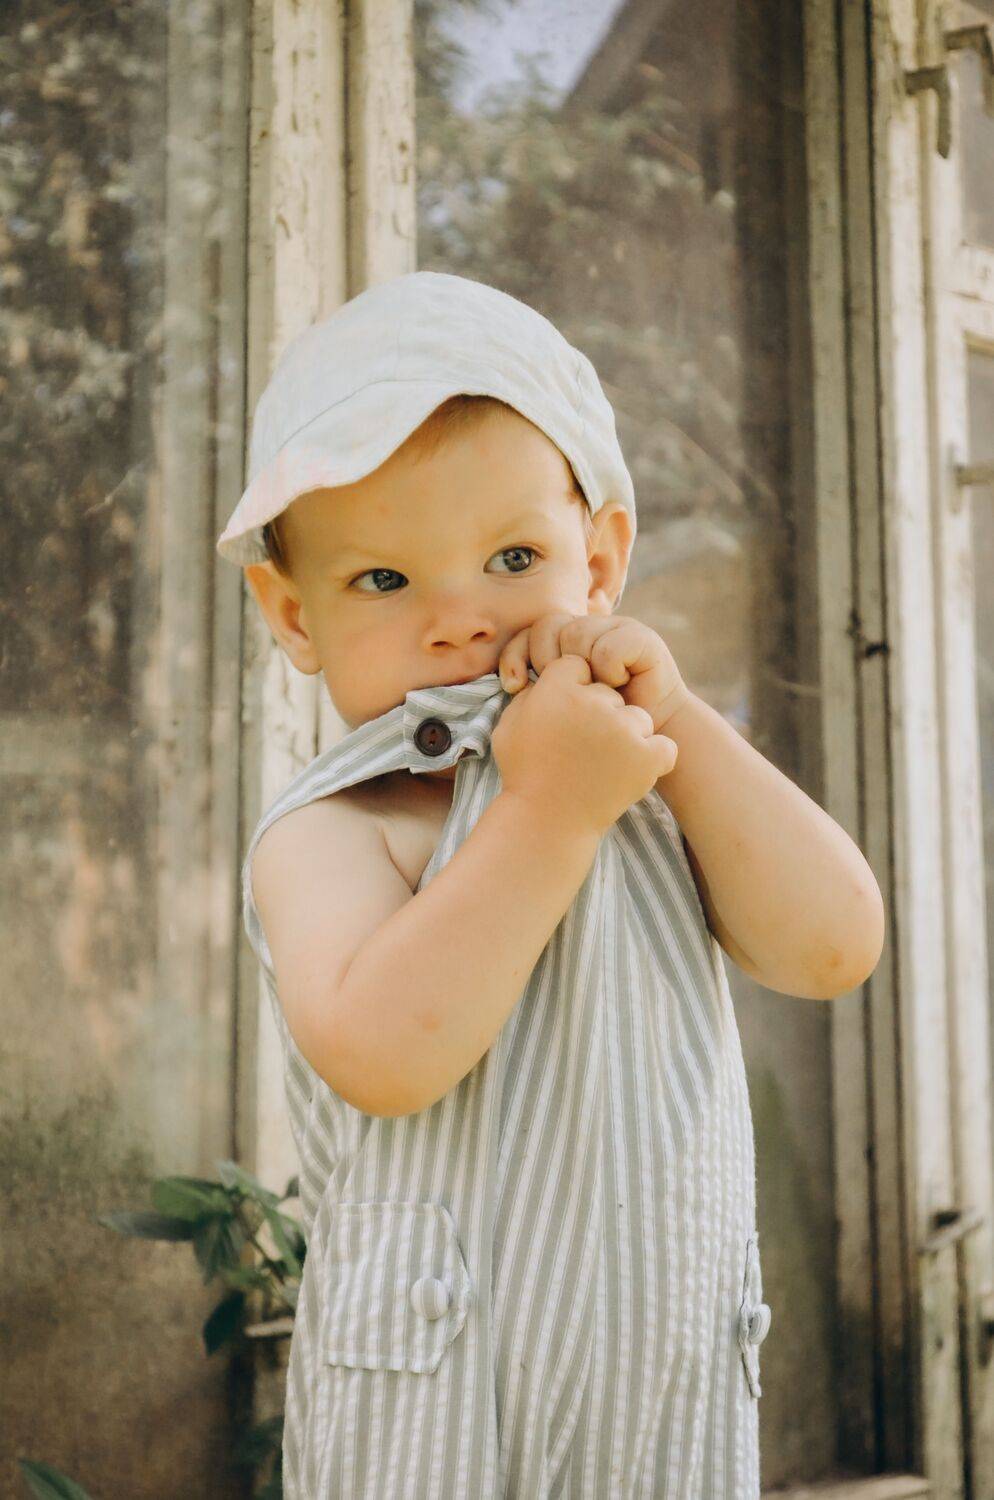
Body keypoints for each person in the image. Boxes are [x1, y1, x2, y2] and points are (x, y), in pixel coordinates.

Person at [216, 270, 885, 1499]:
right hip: (439, 1430)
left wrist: (675, 720)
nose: (460, 621)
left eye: (513, 557)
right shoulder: (335, 828)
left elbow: (833, 945)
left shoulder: (651, 782)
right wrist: (545, 812)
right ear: (293, 615)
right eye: (383, 580)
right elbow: (387, 1055)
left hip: (663, 1417)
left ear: (602, 559)